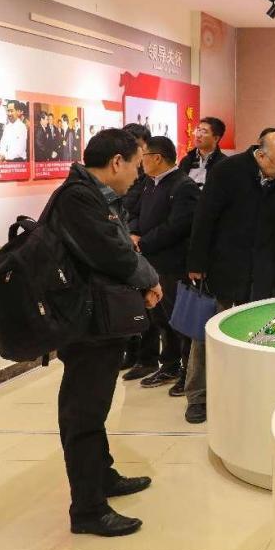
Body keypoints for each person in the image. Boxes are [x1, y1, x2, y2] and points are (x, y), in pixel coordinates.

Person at [46, 128, 162, 537]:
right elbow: (113, 253)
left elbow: (119, 246)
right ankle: (88, 509)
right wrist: (150, 279)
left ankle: (102, 476)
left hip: (99, 321)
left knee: (94, 407)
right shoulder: (77, 198)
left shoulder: (93, 195)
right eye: (136, 164)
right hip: (85, 325)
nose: (138, 173)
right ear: (116, 162)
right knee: (83, 412)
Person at [184, 131, 275, 423]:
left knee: (254, 331)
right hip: (225, 265)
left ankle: (244, 392)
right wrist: (196, 263)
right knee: (209, 332)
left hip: (262, 268)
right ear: (261, 155)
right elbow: (204, 218)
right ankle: (197, 396)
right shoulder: (227, 171)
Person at [128, 136, 200, 390]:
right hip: (151, 264)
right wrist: (134, 232)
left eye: (144, 156)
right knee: (159, 318)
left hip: (173, 265)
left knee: (179, 321)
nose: (141, 162)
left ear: (157, 158)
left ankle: (187, 373)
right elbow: (134, 211)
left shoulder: (183, 186)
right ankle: (169, 365)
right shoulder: (149, 183)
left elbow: (177, 226)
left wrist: (144, 242)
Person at [118, 123, 156, 379]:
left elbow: (144, 211)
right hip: (124, 242)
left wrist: (133, 232)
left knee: (148, 307)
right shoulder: (121, 170)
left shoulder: (148, 176)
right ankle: (130, 353)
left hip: (142, 244)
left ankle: (148, 358)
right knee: (127, 304)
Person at [179, 116, 227, 188]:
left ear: (216, 138)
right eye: (198, 130)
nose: (198, 135)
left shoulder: (224, 163)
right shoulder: (186, 160)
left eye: (204, 132)